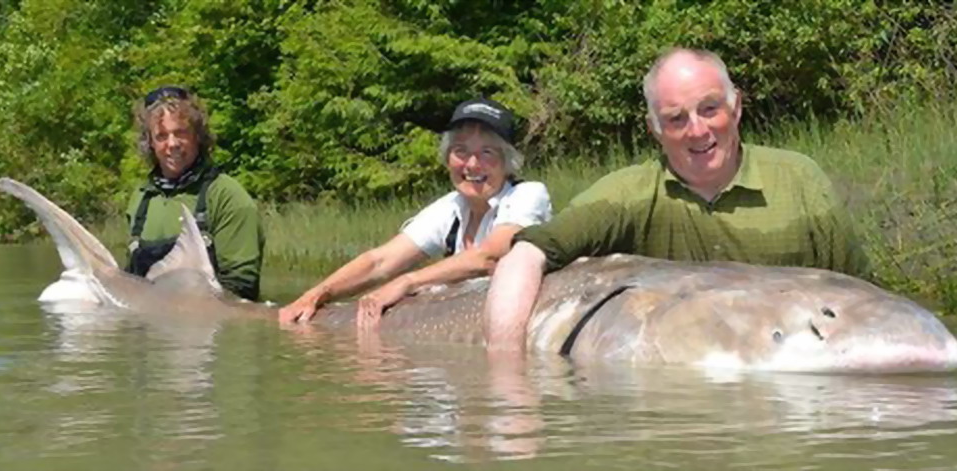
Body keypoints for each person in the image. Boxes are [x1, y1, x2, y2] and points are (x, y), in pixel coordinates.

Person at [484, 48, 868, 352]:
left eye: (709, 109)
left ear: (736, 108)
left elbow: (863, 294)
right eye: (676, 119)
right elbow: (527, 253)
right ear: (654, 129)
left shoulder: (800, 179)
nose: (697, 130)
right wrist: (507, 377)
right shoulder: (628, 194)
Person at [279, 98, 552, 329]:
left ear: (508, 161)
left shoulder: (528, 195)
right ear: (447, 159)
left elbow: (490, 257)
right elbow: (380, 261)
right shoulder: (451, 206)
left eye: (487, 152)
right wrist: (316, 294)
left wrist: (409, 281)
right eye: (460, 151)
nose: (471, 164)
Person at [126, 86, 264, 300]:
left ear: (198, 136)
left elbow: (242, 288)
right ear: (150, 143)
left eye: (180, 133)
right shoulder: (141, 198)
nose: (172, 144)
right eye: (162, 136)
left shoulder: (228, 196)